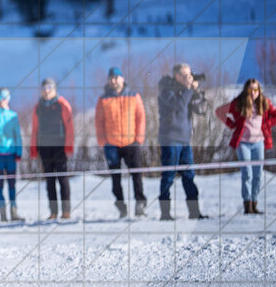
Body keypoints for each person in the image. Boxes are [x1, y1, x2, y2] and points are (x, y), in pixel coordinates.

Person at [216, 79, 276, 215]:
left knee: (258, 174)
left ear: (259, 91)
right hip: (243, 143)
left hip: (258, 143)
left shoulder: (264, 103)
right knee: (247, 174)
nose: (253, 93)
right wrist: (232, 124)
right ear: (245, 90)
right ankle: (247, 205)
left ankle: (254, 203)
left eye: (255, 90)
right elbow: (220, 111)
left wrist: (268, 124)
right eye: (250, 90)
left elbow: (274, 115)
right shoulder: (239, 103)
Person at [157, 64, 208, 220]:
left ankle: (194, 212)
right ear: (177, 76)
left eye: (190, 75)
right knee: (168, 176)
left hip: (185, 140)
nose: (189, 78)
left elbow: (201, 109)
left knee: (189, 175)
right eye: (186, 75)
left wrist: (196, 91)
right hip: (170, 139)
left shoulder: (187, 91)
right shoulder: (166, 90)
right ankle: (165, 213)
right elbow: (178, 105)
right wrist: (189, 89)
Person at [95, 67, 147, 218]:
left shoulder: (134, 96)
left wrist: (139, 138)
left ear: (122, 79)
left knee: (136, 174)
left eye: (116, 77)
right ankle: (121, 206)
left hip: (131, 142)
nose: (113, 81)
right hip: (111, 144)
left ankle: (140, 203)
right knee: (115, 178)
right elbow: (98, 121)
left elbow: (141, 117)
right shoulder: (103, 99)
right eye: (111, 78)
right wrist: (103, 141)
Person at [30, 78, 74, 220]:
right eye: (44, 88)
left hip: (60, 147)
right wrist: (33, 147)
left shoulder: (62, 104)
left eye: (49, 88)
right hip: (44, 148)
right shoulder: (38, 107)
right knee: (49, 181)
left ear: (54, 89)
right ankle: (53, 212)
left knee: (62, 179)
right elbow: (35, 129)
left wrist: (69, 145)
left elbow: (69, 127)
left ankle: (66, 211)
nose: (46, 91)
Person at [0, 88, 23, 222]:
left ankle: (14, 210)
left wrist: (19, 151)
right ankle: (2, 213)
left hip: (11, 155)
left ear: (8, 99)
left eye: (4, 98)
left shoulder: (13, 115)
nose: (1, 101)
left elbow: (17, 135)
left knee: (12, 184)